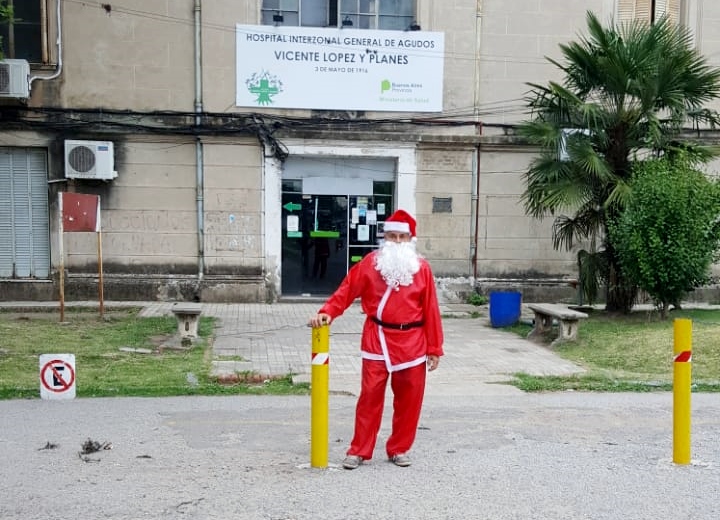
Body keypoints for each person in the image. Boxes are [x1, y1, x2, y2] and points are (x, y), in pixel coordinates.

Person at [308, 209, 444, 469]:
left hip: (413, 341)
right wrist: (327, 312)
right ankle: (359, 449)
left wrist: (434, 347)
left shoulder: (422, 269)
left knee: (410, 399)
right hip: (377, 337)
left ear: (410, 239)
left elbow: (431, 309)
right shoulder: (371, 263)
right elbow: (346, 290)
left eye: (401, 237)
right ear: (385, 238)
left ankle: (399, 448)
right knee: (369, 396)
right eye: (391, 236)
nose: (396, 242)